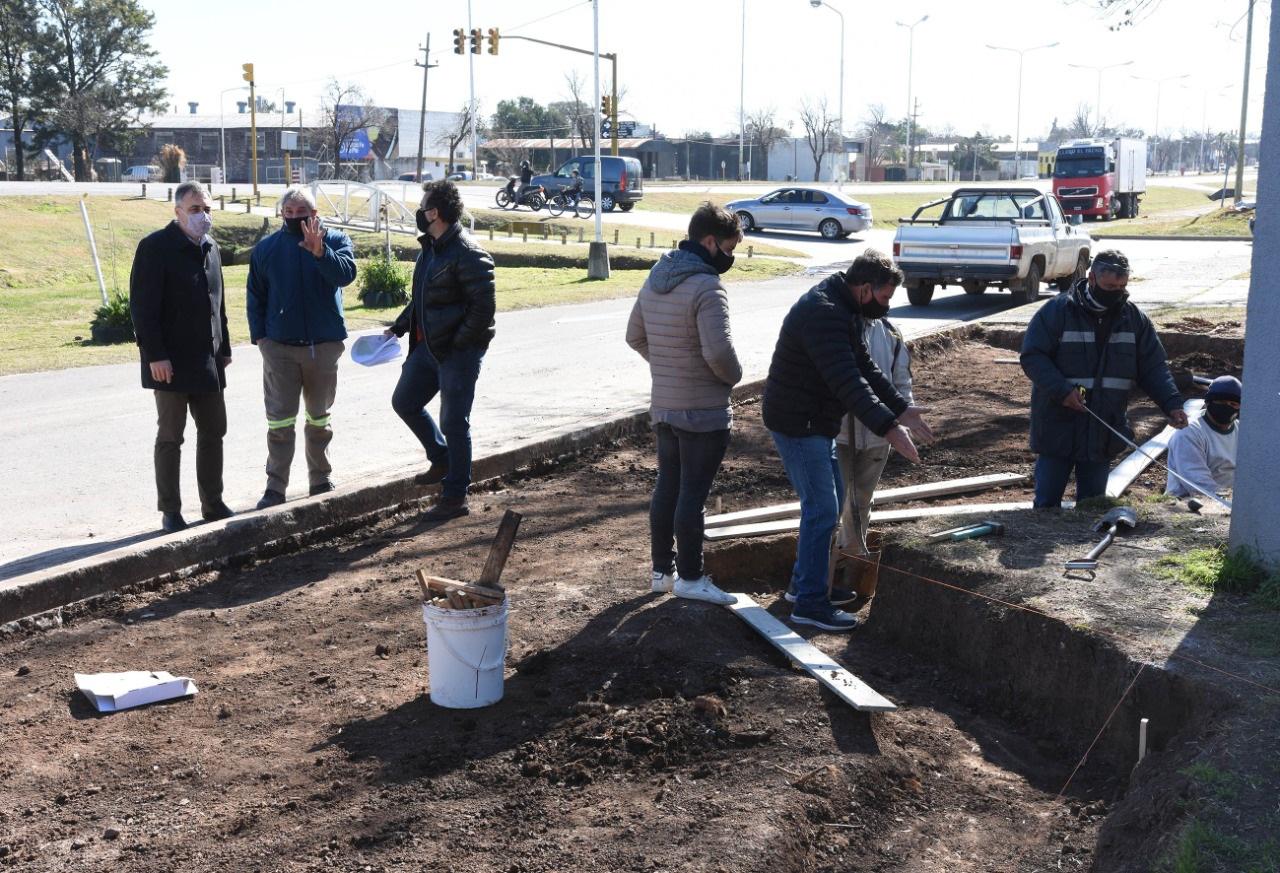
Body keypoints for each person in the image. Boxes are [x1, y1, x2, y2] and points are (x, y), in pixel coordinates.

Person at [762, 251, 934, 632]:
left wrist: (902, 408)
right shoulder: (824, 313)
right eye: (886, 297)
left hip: (815, 421)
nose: (887, 305)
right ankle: (809, 603)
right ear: (865, 288)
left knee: (831, 505)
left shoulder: (844, 306)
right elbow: (848, 383)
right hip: (797, 423)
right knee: (822, 510)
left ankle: (803, 585)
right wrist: (890, 427)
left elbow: (865, 368)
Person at [626, 203, 744, 605]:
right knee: (692, 495)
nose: (729, 257)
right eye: (728, 248)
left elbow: (635, 336)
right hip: (704, 411)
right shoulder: (708, 287)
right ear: (710, 242)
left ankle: (663, 573)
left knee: (668, 488)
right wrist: (734, 377)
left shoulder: (656, 277)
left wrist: (669, 366)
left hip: (665, 405)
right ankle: (692, 578)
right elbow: (719, 354)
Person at [1021, 249, 1187, 508]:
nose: (1116, 292)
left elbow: (1153, 367)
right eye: (1110, 286)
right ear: (1092, 278)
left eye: (1121, 286)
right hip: (1058, 425)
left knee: (1093, 509)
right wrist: (1062, 390)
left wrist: (1171, 403)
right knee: (1046, 507)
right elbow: (1033, 357)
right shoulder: (1057, 311)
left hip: (1103, 430)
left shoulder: (1134, 320)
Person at [388, 179, 496, 521]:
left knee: (454, 421)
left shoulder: (469, 252)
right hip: (428, 349)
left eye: (423, 207)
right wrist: (400, 325)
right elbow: (422, 298)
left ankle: (455, 495)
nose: (419, 213)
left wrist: (458, 345)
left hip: (457, 353)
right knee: (404, 402)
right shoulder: (430, 248)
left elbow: (483, 310)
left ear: (434, 212)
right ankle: (441, 457)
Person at [129, 181, 233, 533]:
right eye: (194, 209)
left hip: (208, 360)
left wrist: (225, 349)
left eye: (206, 209)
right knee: (171, 436)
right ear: (177, 212)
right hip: (169, 364)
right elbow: (143, 310)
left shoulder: (211, 248)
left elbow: (218, 305)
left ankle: (213, 503)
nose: (203, 216)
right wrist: (155, 355)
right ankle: (171, 510)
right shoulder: (155, 248)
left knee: (214, 430)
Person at [246, 186, 355, 509]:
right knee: (279, 422)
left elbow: (346, 275)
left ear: (315, 214)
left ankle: (320, 478)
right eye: (289, 213)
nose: (295, 218)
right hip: (279, 348)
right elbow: (256, 297)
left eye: (301, 213)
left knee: (319, 419)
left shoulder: (336, 241)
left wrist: (320, 252)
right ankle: (275, 487)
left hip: (323, 346)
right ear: (282, 215)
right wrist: (261, 339)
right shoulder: (267, 249)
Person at [828, 312, 913, 600]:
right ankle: (818, 573)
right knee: (831, 504)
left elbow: (901, 383)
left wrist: (902, 422)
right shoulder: (841, 326)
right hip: (839, 434)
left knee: (861, 501)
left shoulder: (891, 332)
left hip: (878, 436)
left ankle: (851, 569)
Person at [1166, 375, 1239, 498]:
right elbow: (1198, 483)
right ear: (1208, 402)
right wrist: (1227, 499)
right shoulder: (1189, 432)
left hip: (1231, 501)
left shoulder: (1241, 431)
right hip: (1187, 504)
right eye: (1221, 402)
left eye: (1233, 404)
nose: (1227, 407)